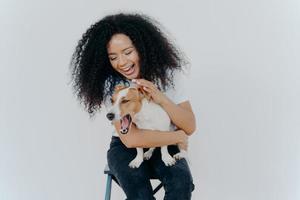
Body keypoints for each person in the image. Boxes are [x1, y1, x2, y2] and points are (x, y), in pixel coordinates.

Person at [70, 13, 196, 200]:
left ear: (143, 48)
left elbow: (189, 125)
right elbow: (131, 139)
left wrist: (159, 97)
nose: (121, 63)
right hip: (126, 145)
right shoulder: (111, 85)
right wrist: (176, 136)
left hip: (163, 143)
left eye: (128, 52)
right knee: (139, 194)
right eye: (113, 57)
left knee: (181, 184)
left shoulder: (168, 74)